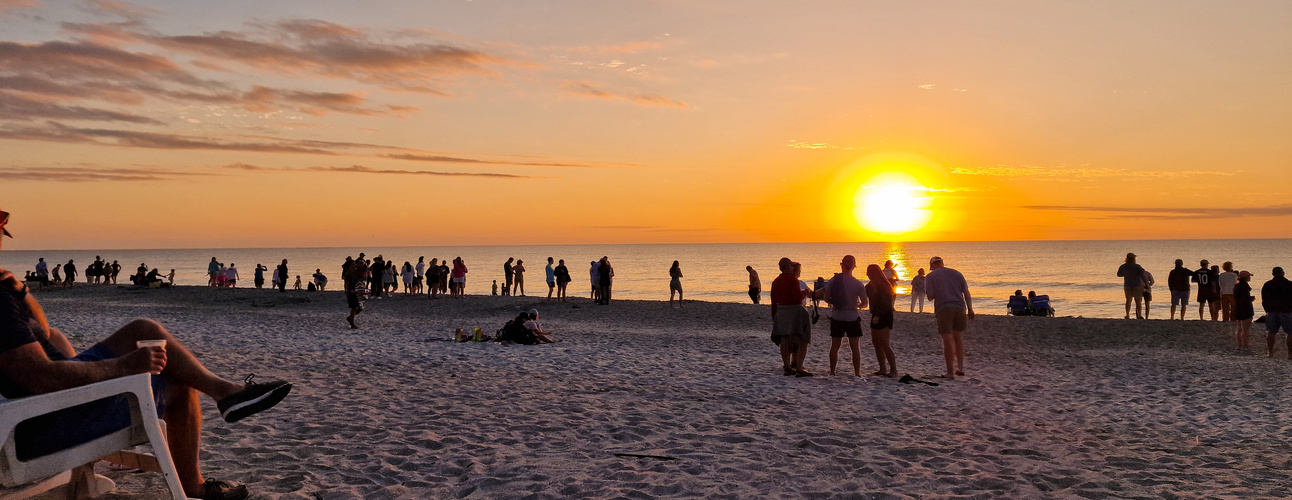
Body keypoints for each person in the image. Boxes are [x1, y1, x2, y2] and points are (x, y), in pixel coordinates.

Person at [0, 210, 292, 500]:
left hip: (37, 411)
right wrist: (123, 366)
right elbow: (40, 377)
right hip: (39, 426)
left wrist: (20, 290)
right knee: (178, 384)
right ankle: (196, 481)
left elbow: (46, 333)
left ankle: (225, 393)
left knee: (141, 329)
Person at [813, 255, 867, 377]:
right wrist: (857, 305)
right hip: (852, 316)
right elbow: (865, 303)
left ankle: (832, 371)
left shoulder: (833, 280)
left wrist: (835, 303)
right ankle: (857, 373)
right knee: (855, 347)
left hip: (837, 315)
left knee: (835, 346)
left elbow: (826, 298)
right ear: (854, 266)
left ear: (841, 264)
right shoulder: (858, 284)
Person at [926, 256, 974, 380]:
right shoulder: (957, 273)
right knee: (957, 338)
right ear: (942, 263)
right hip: (960, 307)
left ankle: (950, 372)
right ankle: (961, 368)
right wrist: (970, 309)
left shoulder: (931, 276)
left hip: (944, 308)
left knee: (947, 340)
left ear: (932, 266)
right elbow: (966, 293)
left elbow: (930, 296)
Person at [771, 258, 812, 377]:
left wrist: (774, 315)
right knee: (802, 339)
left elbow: (774, 300)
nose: (793, 268)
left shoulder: (776, 281)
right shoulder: (793, 280)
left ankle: (787, 366)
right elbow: (797, 298)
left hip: (781, 310)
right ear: (788, 267)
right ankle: (799, 367)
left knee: (784, 340)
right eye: (791, 266)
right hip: (795, 310)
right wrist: (804, 292)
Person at [866, 264, 897, 377]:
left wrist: (878, 316)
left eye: (869, 272)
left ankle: (893, 370)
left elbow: (886, 304)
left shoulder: (884, 286)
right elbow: (864, 293)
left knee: (884, 344)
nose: (867, 274)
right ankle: (882, 368)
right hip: (874, 314)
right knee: (876, 343)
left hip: (884, 315)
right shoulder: (870, 285)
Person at [1262, 267, 1292, 358]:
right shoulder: (1289, 284)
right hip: (1286, 310)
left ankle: (1270, 352)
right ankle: (1290, 354)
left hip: (1272, 311)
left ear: (1273, 274)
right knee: (1290, 332)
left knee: (1271, 332)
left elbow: (1264, 299)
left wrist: (1267, 310)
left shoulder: (1268, 284)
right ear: (1283, 273)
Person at [1116, 253, 1146, 320]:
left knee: (1128, 300)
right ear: (1134, 259)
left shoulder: (1123, 266)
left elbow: (1119, 274)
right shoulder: (1137, 266)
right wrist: (1146, 284)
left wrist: (1126, 274)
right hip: (1137, 285)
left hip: (1127, 285)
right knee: (1138, 301)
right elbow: (1143, 275)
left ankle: (1127, 315)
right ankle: (1139, 315)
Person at [343, 256, 367, 329]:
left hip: (357, 290)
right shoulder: (350, 273)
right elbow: (346, 282)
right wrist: (346, 290)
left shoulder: (358, 271)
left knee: (360, 307)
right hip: (351, 290)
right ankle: (352, 323)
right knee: (354, 307)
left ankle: (350, 318)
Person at [1234, 270, 1255, 349]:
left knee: (1239, 327)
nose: (1250, 278)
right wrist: (1250, 298)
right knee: (1245, 329)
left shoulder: (1236, 285)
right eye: (1249, 276)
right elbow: (1244, 298)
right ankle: (1245, 345)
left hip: (1238, 308)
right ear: (1246, 277)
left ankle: (1239, 345)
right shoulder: (1245, 286)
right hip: (1246, 309)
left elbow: (1239, 297)